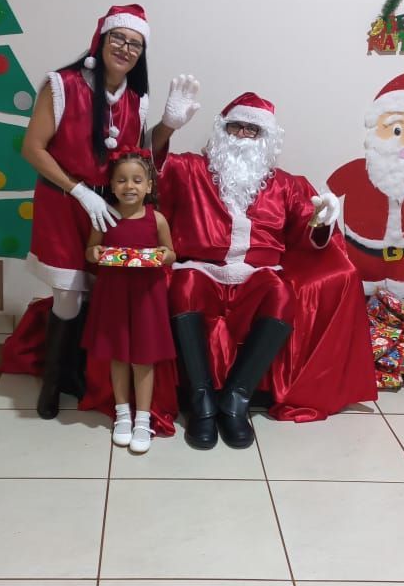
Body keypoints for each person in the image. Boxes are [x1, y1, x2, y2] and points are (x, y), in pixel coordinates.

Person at [157, 92, 377, 449]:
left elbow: (309, 236)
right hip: (201, 269)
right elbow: (146, 170)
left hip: (256, 276)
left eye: (253, 129)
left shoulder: (287, 185)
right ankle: (202, 403)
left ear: (267, 138)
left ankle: (235, 401)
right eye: (236, 126)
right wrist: (166, 128)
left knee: (280, 293)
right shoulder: (190, 169)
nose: (243, 135)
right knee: (184, 286)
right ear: (222, 130)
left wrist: (323, 222)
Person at [19, 2, 199, 419]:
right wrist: (80, 191)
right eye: (119, 38)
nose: (125, 48)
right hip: (64, 203)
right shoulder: (62, 85)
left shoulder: (135, 99)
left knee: (106, 291)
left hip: (111, 207)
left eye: (135, 43)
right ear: (101, 39)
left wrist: (168, 125)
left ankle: (85, 375)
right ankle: (53, 382)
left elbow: (138, 157)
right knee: (67, 294)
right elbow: (33, 149)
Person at [84, 147, 176, 453]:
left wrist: (163, 255)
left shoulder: (157, 219)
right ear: (112, 185)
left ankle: (143, 418)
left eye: (137, 180)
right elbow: (90, 251)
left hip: (147, 298)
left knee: (143, 358)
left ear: (149, 185)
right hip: (113, 296)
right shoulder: (104, 217)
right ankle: (122, 414)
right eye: (122, 180)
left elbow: (171, 253)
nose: (129, 186)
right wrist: (95, 253)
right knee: (118, 355)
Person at [327, 71, 404, 316]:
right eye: (396, 130)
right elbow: (325, 199)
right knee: (358, 319)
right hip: (362, 274)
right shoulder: (357, 171)